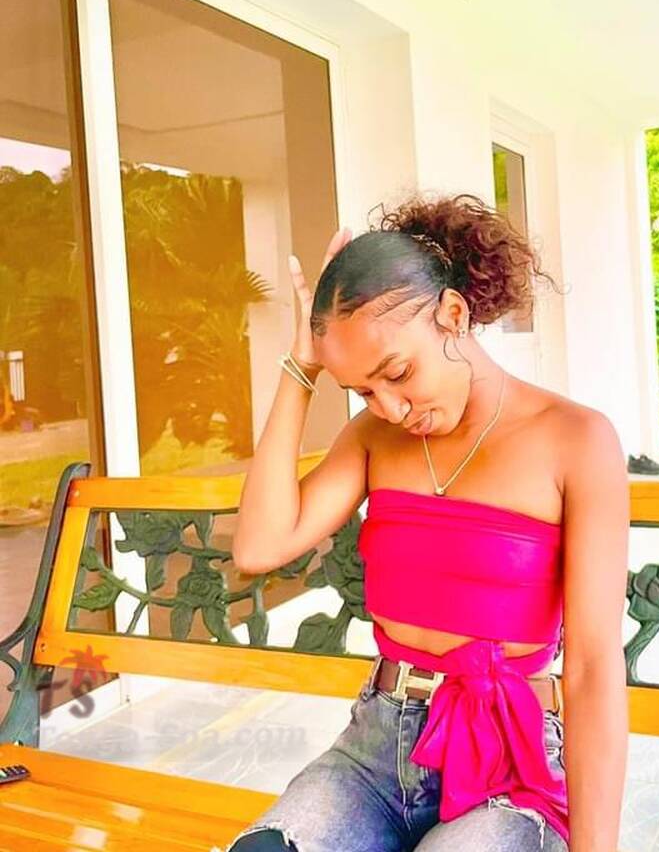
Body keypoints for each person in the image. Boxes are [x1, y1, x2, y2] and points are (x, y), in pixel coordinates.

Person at [219, 193, 631, 852]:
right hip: (375, 752)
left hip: (509, 766)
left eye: (398, 373)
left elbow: (590, 668)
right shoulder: (373, 437)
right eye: (363, 390)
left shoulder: (576, 440)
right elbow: (260, 545)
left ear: (454, 314)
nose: (389, 407)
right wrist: (303, 365)